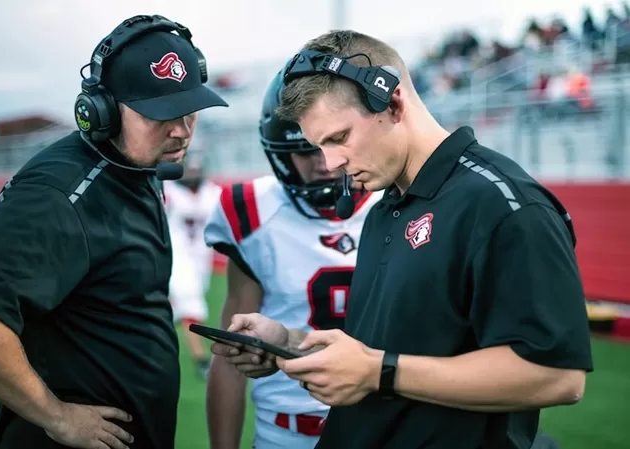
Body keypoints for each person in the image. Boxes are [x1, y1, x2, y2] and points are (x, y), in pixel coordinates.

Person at [212, 30, 593, 449]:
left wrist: (378, 372)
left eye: (338, 138)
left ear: (393, 103)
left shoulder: (503, 206)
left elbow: (557, 376)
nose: (331, 163)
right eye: (319, 146)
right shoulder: (387, 206)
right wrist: (291, 343)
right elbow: (392, 346)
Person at [0, 14, 227, 449]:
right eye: (160, 115)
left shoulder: (135, 165)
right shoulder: (62, 191)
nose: (181, 130)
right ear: (102, 111)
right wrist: (57, 417)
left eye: (189, 111)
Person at [204, 71, 382, 449]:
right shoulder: (250, 211)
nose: (325, 162)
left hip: (385, 427)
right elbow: (232, 356)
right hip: (286, 433)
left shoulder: (399, 203)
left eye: (333, 141)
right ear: (279, 153)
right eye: (306, 149)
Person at [164, 149, 221, 378]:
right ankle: (202, 362)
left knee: (181, 309)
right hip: (177, 254)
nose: (192, 173)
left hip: (201, 256)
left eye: (196, 169)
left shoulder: (212, 192)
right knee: (192, 305)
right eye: (189, 168)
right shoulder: (167, 191)